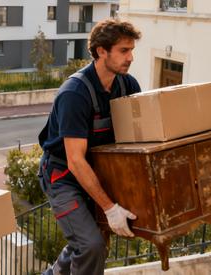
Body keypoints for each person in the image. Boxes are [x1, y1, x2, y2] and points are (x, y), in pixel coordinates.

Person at [37, 19, 143, 275]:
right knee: (91, 246)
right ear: (101, 51)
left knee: (87, 244)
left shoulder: (127, 85)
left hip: (95, 171)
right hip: (63, 176)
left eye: (131, 50)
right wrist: (110, 208)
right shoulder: (74, 94)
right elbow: (75, 160)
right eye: (123, 50)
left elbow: (138, 136)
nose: (130, 57)